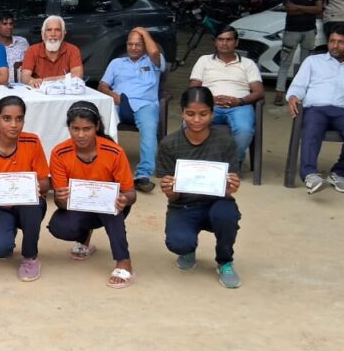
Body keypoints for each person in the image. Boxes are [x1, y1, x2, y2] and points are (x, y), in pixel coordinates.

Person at [157, 87, 243, 289]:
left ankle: (225, 261)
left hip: (217, 202)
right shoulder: (169, 144)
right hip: (184, 206)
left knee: (226, 216)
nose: (196, 120)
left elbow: (228, 186)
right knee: (178, 243)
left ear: (212, 114)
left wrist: (231, 187)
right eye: (190, 114)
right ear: (182, 113)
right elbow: (173, 196)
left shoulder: (225, 142)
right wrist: (169, 190)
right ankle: (188, 250)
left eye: (203, 114)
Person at [48, 101, 137, 288]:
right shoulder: (59, 153)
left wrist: (123, 199)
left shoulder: (114, 152)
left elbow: (131, 193)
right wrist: (61, 198)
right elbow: (60, 202)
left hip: (112, 208)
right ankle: (85, 238)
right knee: (59, 226)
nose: (81, 135)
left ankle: (123, 261)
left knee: (111, 207)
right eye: (75, 129)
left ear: (96, 126)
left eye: (87, 129)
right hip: (79, 206)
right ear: (69, 128)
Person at [286, 23, 344, 193]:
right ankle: (310, 174)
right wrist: (293, 96)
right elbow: (298, 86)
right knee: (312, 129)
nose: (335, 45)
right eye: (332, 41)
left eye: (341, 42)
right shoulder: (313, 61)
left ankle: (340, 172)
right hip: (316, 109)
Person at [0, 96, 50, 281]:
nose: (14, 125)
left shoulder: (32, 142)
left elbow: (45, 182)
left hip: (28, 205)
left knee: (32, 205)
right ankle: (7, 230)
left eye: (19, 119)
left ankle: (30, 256)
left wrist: (32, 186)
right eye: (7, 118)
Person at [98, 27, 166, 193]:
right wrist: (111, 94)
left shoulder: (154, 61)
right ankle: (105, 169)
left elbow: (154, 51)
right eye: (130, 44)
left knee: (149, 131)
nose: (133, 48)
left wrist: (142, 31)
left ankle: (143, 175)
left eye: (138, 44)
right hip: (119, 103)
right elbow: (102, 85)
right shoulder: (116, 63)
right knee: (102, 126)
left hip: (145, 104)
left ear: (145, 45)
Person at [189, 25, 264, 170]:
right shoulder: (204, 60)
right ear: (215, 42)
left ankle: (232, 165)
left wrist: (239, 101)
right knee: (189, 124)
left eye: (229, 40)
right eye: (220, 39)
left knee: (244, 130)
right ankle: (197, 163)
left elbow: (259, 92)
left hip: (239, 106)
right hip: (208, 105)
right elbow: (193, 88)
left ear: (236, 42)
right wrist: (209, 99)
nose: (224, 43)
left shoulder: (248, 64)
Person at [275, 0, 324, 105]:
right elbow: (290, 11)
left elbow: (319, 10)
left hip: (309, 30)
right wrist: (308, 9)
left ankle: (300, 93)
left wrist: (298, 7)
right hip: (291, 30)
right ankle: (279, 93)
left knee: (306, 64)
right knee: (285, 62)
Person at [21, 15, 83, 87]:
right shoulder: (32, 50)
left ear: (63, 33)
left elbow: (78, 76)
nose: (53, 34)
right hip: (39, 91)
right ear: (42, 34)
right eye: (49, 30)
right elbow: (24, 77)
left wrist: (46, 80)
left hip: (65, 92)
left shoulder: (73, 50)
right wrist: (31, 81)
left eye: (57, 30)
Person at [0, 11, 29, 83]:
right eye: (5, 24)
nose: (9, 27)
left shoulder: (22, 42)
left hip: (22, 86)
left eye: (11, 24)